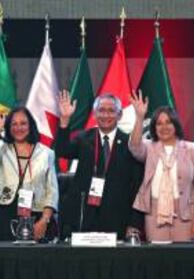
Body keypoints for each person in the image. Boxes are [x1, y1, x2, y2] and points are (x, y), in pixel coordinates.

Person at [55, 90, 144, 240]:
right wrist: (64, 120)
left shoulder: (130, 144)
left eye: (111, 111)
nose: (105, 115)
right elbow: (62, 150)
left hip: (117, 219)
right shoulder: (84, 138)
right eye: (101, 111)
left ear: (120, 115)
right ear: (95, 114)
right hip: (85, 217)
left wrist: (134, 223)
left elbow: (136, 187)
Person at [129, 92, 194, 242]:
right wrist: (139, 118)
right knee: (158, 259)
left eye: (168, 122)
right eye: (159, 123)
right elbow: (134, 146)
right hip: (154, 213)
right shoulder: (149, 147)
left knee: (183, 259)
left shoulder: (192, 149)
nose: (164, 127)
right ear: (154, 127)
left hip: (186, 214)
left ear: (175, 125)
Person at [0, 107, 59, 241]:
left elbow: (52, 192)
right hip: (5, 212)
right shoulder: (2, 147)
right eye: (14, 124)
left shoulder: (46, 153)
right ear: (8, 127)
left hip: (35, 214)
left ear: (31, 126)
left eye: (23, 123)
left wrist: (44, 221)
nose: (19, 128)